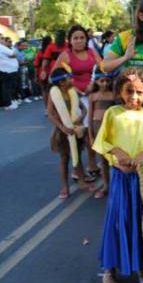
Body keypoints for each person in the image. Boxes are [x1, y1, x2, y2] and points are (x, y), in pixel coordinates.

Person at [92, 67, 143, 283]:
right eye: (129, 91)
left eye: (139, 93)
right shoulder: (113, 113)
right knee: (118, 221)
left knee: (142, 220)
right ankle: (109, 270)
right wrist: (117, 155)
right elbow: (102, 142)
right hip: (120, 178)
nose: (134, 97)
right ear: (120, 91)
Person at [53, 25, 103, 178]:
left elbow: (102, 69)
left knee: (92, 132)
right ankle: (77, 169)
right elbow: (55, 77)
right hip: (74, 100)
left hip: (93, 95)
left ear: (86, 39)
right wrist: (73, 89)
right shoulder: (65, 56)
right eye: (75, 38)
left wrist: (93, 84)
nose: (79, 40)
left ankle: (92, 163)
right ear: (70, 40)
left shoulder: (92, 52)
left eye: (82, 37)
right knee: (78, 135)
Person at [46, 68, 96, 199]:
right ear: (61, 82)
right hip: (63, 130)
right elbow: (50, 114)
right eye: (69, 78)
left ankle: (82, 182)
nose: (71, 80)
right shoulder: (54, 93)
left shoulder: (72, 92)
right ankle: (65, 187)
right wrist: (62, 127)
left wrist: (81, 117)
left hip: (76, 128)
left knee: (77, 156)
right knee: (64, 159)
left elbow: (83, 108)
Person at [88, 69, 115, 199]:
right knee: (102, 160)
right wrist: (91, 136)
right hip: (96, 128)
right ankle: (106, 185)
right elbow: (89, 117)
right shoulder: (93, 96)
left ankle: (115, 185)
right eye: (101, 81)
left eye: (107, 80)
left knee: (113, 158)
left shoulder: (114, 95)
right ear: (96, 81)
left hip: (111, 129)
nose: (104, 83)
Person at [0, 33, 19, 110]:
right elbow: (13, 53)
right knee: (8, 88)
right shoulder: (0, 47)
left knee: (8, 87)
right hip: (8, 70)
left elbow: (12, 55)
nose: (3, 39)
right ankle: (8, 104)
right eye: (1, 38)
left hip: (8, 70)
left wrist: (11, 55)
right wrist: (13, 52)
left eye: (3, 38)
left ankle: (10, 102)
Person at [33, 36, 53, 108]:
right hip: (51, 73)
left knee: (44, 91)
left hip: (41, 73)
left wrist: (35, 76)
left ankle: (47, 109)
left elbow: (36, 65)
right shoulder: (52, 51)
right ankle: (52, 109)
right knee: (51, 91)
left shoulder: (39, 53)